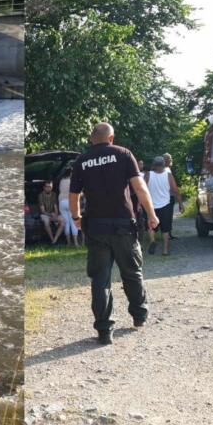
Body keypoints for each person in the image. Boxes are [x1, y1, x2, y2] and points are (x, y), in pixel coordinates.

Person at [69, 122, 160, 345]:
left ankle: (104, 330)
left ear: (92, 139)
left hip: (96, 227)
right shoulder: (123, 154)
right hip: (123, 225)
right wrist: (151, 214)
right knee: (132, 272)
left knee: (100, 279)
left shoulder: (82, 160)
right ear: (111, 138)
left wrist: (76, 218)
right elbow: (139, 188)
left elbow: (73, 195)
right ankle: (139, 317)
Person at [145, 156, 183, 256]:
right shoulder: (168, 175)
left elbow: (143, 190)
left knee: (150, 226)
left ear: (154, 165)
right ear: (163, 165)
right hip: (165, 205)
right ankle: (165, 250)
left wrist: (141, 204)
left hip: (151, 206)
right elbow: (175, 190)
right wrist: (180, 204)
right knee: (165, 229)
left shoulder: (148, 175)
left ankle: (152, 240)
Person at [57, 168, 81, 247]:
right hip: (70, 202)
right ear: (70, 173)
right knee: (73, 222)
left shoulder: (61, 181)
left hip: (61, 202)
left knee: (66, 223)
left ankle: (68, 243)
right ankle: (76, 243)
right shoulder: (72, 181)